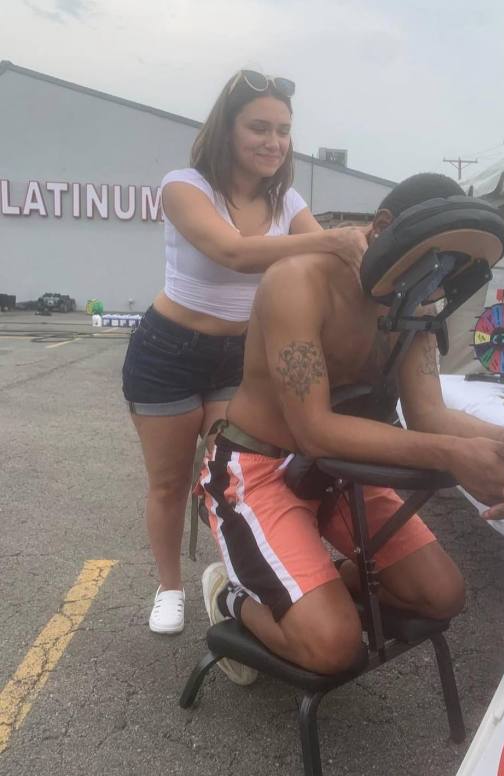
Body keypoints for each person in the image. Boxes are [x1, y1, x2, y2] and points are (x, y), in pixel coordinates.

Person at [197, 173, 504, 684]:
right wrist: (452, 454)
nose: (439, 280)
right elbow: (315, 430)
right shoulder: (297, 281)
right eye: (434, 261)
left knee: (441, 595)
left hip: (340, 472)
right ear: (384, 228)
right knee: (333, 645)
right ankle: (230, 595)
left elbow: (430, 415)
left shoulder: (416, 302)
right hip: (259, 470)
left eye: (452, 267)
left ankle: (307, 589)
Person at [122, 70, 368, 634]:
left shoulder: (289, 202)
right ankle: (168, 587)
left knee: (233, 483)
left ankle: (233, 579)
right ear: (227, 129)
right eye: (259, 127)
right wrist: (333, 238)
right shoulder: (184, 187)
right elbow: (234, 252)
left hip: (240, 358)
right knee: (170, 483)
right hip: (167, 352)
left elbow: (325, 265)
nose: (273, 142)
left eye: (283, 130)